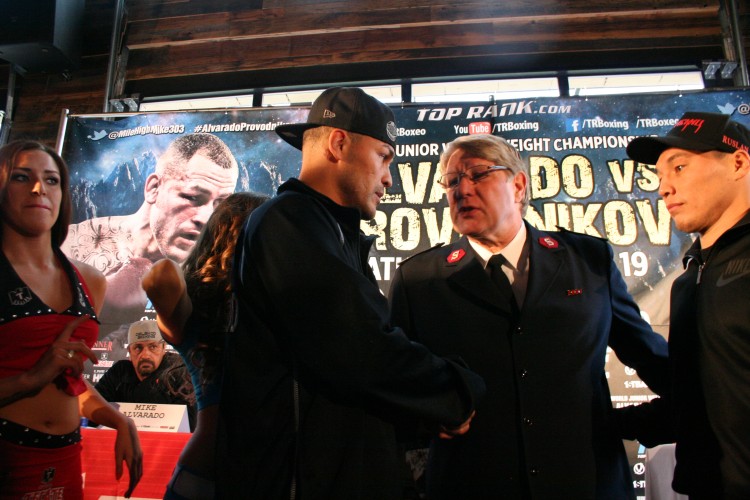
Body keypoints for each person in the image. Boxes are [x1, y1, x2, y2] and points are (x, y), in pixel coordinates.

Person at [216, 87, 486, 499]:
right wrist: (456, 393)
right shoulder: (289, 221)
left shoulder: (330, 231)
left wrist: (423, 416)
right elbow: (359, 348)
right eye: (384, 157)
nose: (388, 178)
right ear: (339, 144)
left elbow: (345, 383)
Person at [388, 133, 670, 500]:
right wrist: (427, 419)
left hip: (586, 482)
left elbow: (648, 355)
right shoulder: (419, 280)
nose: (462, 190)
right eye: (452, 181)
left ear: (518, 186)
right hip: (472, 485)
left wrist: (686, 414)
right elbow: (397, 385)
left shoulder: (588, 260)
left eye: (478, 174)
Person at [0, 140, 142, 498]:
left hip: (64, 454)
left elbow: (68, 380)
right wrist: (31, 379)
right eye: (21, 177)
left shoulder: (90, 279)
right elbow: (43, 374)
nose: (39, 188)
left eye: (52, 180)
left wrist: (114, 416)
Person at [620, 111, 750, 499]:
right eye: (659, 176)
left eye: (679, 167)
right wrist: (597, 422)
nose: (664, 188)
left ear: (738, 163)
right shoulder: (689, 281)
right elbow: (696, 404)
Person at [141, 191, 269, 499]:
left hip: (266, 471)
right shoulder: (194, 311)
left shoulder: (273, 307)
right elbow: (159, 278)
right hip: (206, 472)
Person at [61, 133, 239, 337]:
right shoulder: (74, 244)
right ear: (154, 188)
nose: (206, 218)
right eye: (192, 197)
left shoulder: (218, 272)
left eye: (220, 205)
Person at [93, 319, 197, 430]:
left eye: (153, 347)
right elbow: (94, 411)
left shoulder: (179, 370)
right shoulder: (119, 372)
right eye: (138, 348)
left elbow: (189, 423)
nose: (145, 355)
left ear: (163, 348)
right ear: (129, 351)